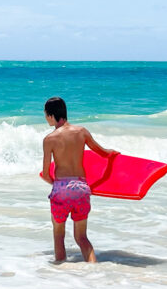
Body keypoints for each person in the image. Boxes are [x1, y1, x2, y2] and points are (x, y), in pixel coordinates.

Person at [41, 96, 118, 263]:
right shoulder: (82, 131)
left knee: (59, 235)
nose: (46, 118)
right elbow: (104, 153)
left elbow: (46, 173)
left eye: (46, 114)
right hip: (82, 188)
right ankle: (94, 270)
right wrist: (114, 154)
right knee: (81, 237)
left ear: (52, 115)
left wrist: (57, 186)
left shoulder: (49, 139)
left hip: (61, 189)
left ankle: (61, 273)